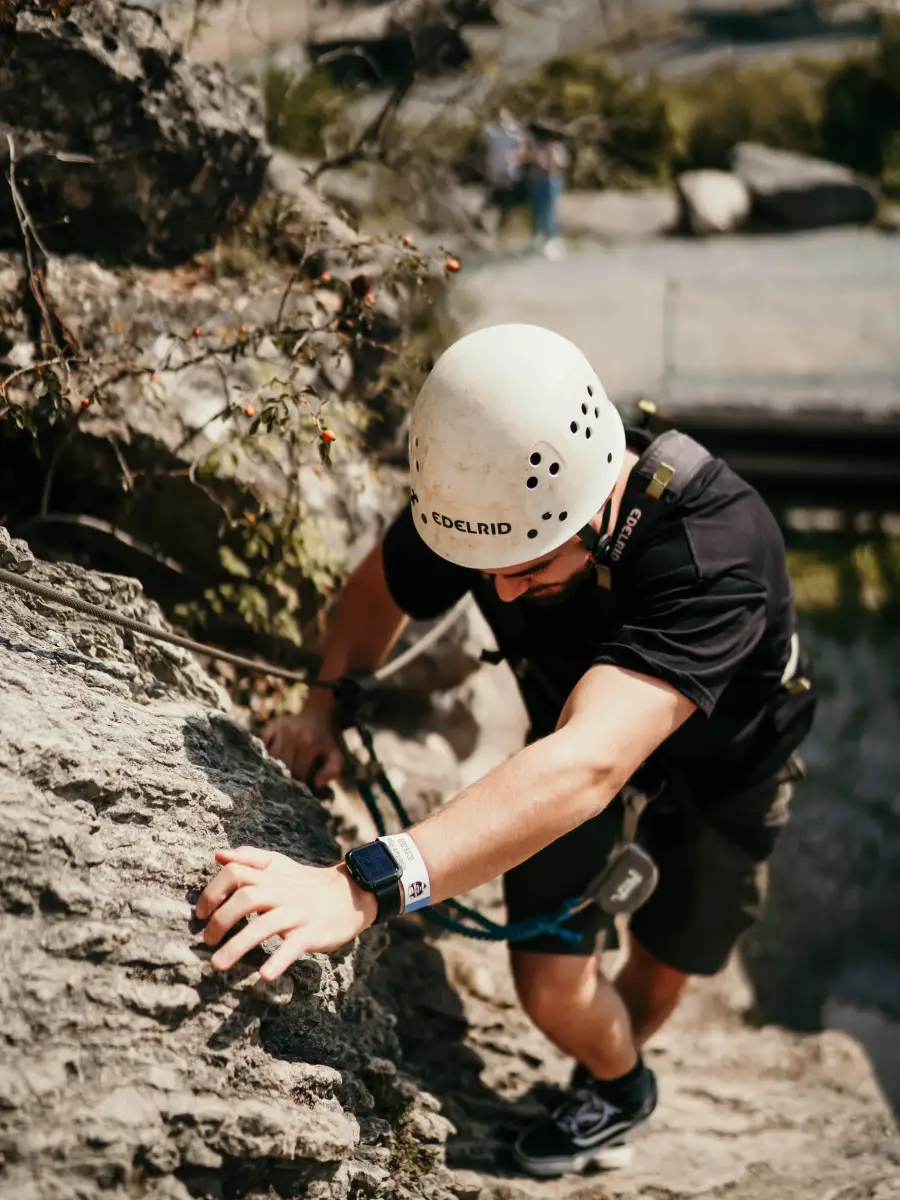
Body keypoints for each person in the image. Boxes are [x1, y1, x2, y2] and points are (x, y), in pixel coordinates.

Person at [195, 324, 816, 1179]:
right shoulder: (493, 502)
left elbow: (591, 764)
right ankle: (621, 1082)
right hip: (574, 744)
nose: (503, 590)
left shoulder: (714, 548)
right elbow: (379, 591)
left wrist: (365, 884)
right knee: (550, 986)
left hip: (726, 774)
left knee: (664, 959)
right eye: (487, 568)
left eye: (529, 567)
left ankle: (605, 1079)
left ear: (593, 507)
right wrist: (322, 708)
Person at [525, 124, 569, 260]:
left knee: (548, 211)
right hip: (537, 180)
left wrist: (549, 163)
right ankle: (538, 239)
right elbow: (528, 159)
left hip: (550, 181)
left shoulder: (556, 147)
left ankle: (551, 239)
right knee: (537, 211)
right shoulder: (536, 147)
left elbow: (561, 163)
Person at [481, 107, 527, 235]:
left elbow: (522, 147)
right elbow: (483, 146)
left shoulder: (516, 130)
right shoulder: (490, 130)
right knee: (490, 199)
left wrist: (516, 158)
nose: (501, 118)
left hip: (510, 171)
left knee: (506, 201)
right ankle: (487, 225)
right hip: (494, 170)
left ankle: (502, 227)